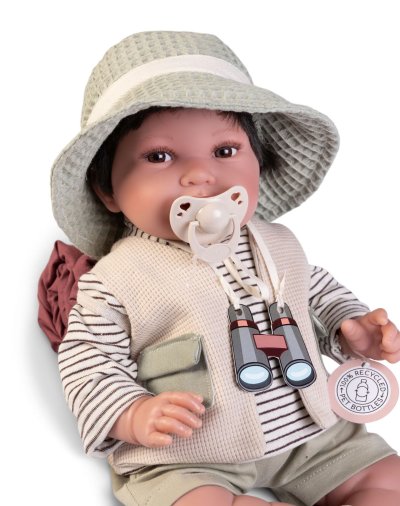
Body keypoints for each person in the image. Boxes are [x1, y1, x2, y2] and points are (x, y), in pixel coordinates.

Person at [50, 31, 400, 506]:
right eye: (159, 156)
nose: (200, 174)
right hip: (193, 453)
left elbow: (315, 290)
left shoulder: (277, 243)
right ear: (107, 190)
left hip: (313, 433)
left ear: (260, 163)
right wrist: (132, 414)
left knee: (387, 480)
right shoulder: (117, 279)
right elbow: (88, 358)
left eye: (225, 151)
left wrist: (350, 326)